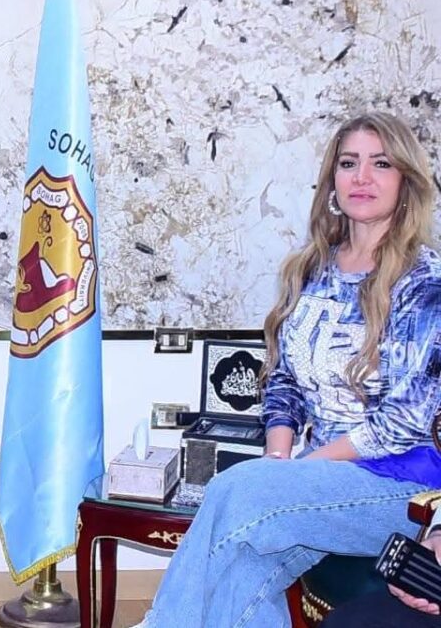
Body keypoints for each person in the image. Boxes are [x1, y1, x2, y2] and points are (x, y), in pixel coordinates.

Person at [140, 111, 441, 628]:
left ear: (405, 182)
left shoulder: (425, 281)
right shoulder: (309, 267)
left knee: (236, 490)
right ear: (332, 181)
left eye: (381, 164)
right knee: (241, 571)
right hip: (314, 480)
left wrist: (297, 471)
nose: (362, 177)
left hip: (400, 488)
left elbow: (405, 421)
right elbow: (282, 381)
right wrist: (279, 457)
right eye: (348, 163)